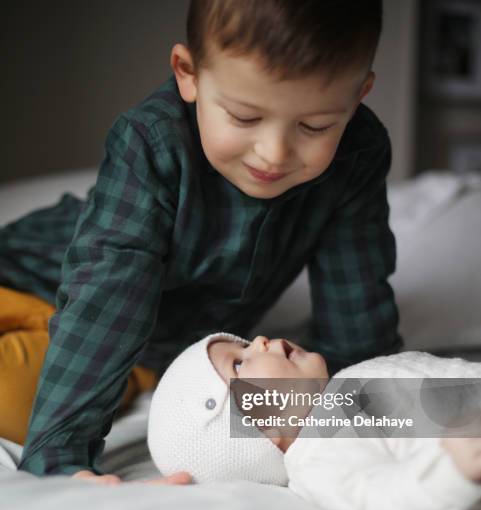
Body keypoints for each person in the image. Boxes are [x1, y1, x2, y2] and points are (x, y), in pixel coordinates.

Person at [1, 0, 402, 482]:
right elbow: (108, 296)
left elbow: (356, 320)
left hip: (145, 348)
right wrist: (61, 457)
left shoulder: (357, 154)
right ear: (188, 74)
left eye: (315, 126)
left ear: (359, 96)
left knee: (11, 398)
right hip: (30, 277)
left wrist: (375, 429)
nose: (274, 153)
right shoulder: (151, 142)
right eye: (244, 118)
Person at [148, 333, 481, 510]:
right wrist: (453, 472)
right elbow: (379, 501)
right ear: (256, 430)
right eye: (239, 362)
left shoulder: (342, 389)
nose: (260, 340)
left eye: (245, 343)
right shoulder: (318, 461)